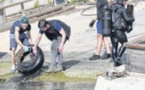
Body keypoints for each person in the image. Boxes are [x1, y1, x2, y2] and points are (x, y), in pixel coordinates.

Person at [110, 0, 135, 66]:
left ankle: (115, 61)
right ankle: (118, 58)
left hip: (111, 29)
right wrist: (132, 18)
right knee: (125, 44)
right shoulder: (122, 9)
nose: (125, 2)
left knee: (114, 46)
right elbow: (127, 19)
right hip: (119, 30)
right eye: (125, 1)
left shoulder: (112, 7)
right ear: (122, 1)